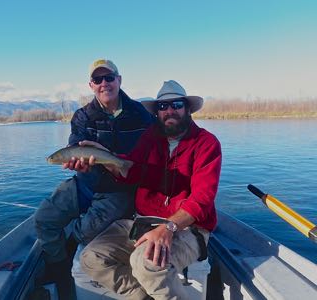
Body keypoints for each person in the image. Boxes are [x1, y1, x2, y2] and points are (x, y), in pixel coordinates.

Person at [79, 80, 222, 299]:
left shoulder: (207, 143)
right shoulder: (150, 138)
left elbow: (202, 199)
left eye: (176, 104)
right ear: (157, 113)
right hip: (143, 222)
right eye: (163, 107)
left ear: (187, 108)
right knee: (91, 257)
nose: (169, 111)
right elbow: (131, 170)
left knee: (146, 262)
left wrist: (169, 228)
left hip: (188, 228)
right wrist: (104, 158)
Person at [33, 59, 154, 299]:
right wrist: (79, 163)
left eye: (109, 77)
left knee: (85, 234)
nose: (104, 83)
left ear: (119, 80)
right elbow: (74, 145)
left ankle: (71, 249)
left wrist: (116, 163)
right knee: (44, 219)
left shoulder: (141, 115)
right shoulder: (82, 116)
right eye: (97, 79)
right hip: (84, 183)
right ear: (91, 85)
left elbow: (150, 156)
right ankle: (60, 270)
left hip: (119, 189)